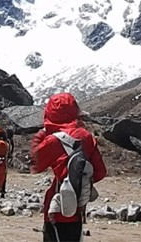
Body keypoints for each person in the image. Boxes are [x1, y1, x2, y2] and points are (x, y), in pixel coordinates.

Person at [32, 92, 107, 242]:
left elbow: (35, 165)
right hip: (78, 209)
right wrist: (78, 182)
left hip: (56, 207)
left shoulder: (52, 140)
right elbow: (100, 172)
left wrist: (40, 136)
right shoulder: (86, 136)